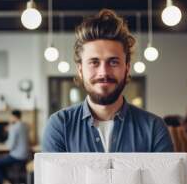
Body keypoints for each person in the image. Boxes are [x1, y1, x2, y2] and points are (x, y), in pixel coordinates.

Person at [42, 9, 173, 153]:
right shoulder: (60, 125)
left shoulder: (154, 128)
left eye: (114, 62)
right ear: (80, 70)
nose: (103, 72)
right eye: (94, 62)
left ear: (127, 68)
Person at [0, 110, 30, 184]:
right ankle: (7, 182)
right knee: (2, 162)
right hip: (26, 155)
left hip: (17, 156)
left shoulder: (14, 127)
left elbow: (10, 146)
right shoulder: (25, 125)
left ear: (13, 117)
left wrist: (9, 131)